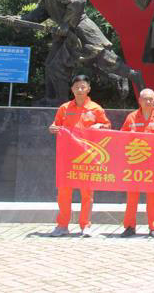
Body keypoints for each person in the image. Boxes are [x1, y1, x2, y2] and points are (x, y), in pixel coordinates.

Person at [0, 0, 144, 106]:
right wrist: (20, 19)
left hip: (82, 30)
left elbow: (79, 0)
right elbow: (38, 10)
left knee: (107, 61)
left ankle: (134, 77)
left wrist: (65, 23)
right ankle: (54, 100)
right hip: (66, 35)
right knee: (52, 65)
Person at [48, 75, 111, 237]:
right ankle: (62, 225)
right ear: (72, 89)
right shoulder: (64, 108)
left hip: (87, 156)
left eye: (83, 87)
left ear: (88, 89)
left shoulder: (96, 109)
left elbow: (108, 126)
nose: (80, 90)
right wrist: (53, 128)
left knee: (87, 192)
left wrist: (100, 126)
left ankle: (85, 225)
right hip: (67, 156)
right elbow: (56, 125)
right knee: (64, 192)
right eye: (77, 87)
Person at [120, 88, 154, 238]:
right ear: (139, 100)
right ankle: (129, 226)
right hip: (134, 162)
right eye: (145, 99)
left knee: (153, 197)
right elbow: (120, 136)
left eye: (151, 99)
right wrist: (128, 136)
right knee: (132, 197)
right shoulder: (131, 117)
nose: (148, 101)